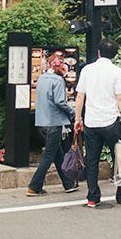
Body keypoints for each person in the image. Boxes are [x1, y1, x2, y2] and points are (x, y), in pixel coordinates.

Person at [74, 39, 121, 208]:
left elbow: (80, 96)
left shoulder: (87, 70)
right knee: (120, 158)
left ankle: (93, 197)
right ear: (114, 55)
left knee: (92, 160)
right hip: (111, 121)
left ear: (98, 53)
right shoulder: (115, 71)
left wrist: (78, 119)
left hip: (91, 122)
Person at [26, 55, 79, 196]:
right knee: (49, 155)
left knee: (57, 153)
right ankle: (34, 186)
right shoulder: (58, 80)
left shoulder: (41, 78)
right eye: (63, 65)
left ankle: (68, 184)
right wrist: (72, 112)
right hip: (54, 122)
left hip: (41, 122)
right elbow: (60, 101)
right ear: (59, 66)